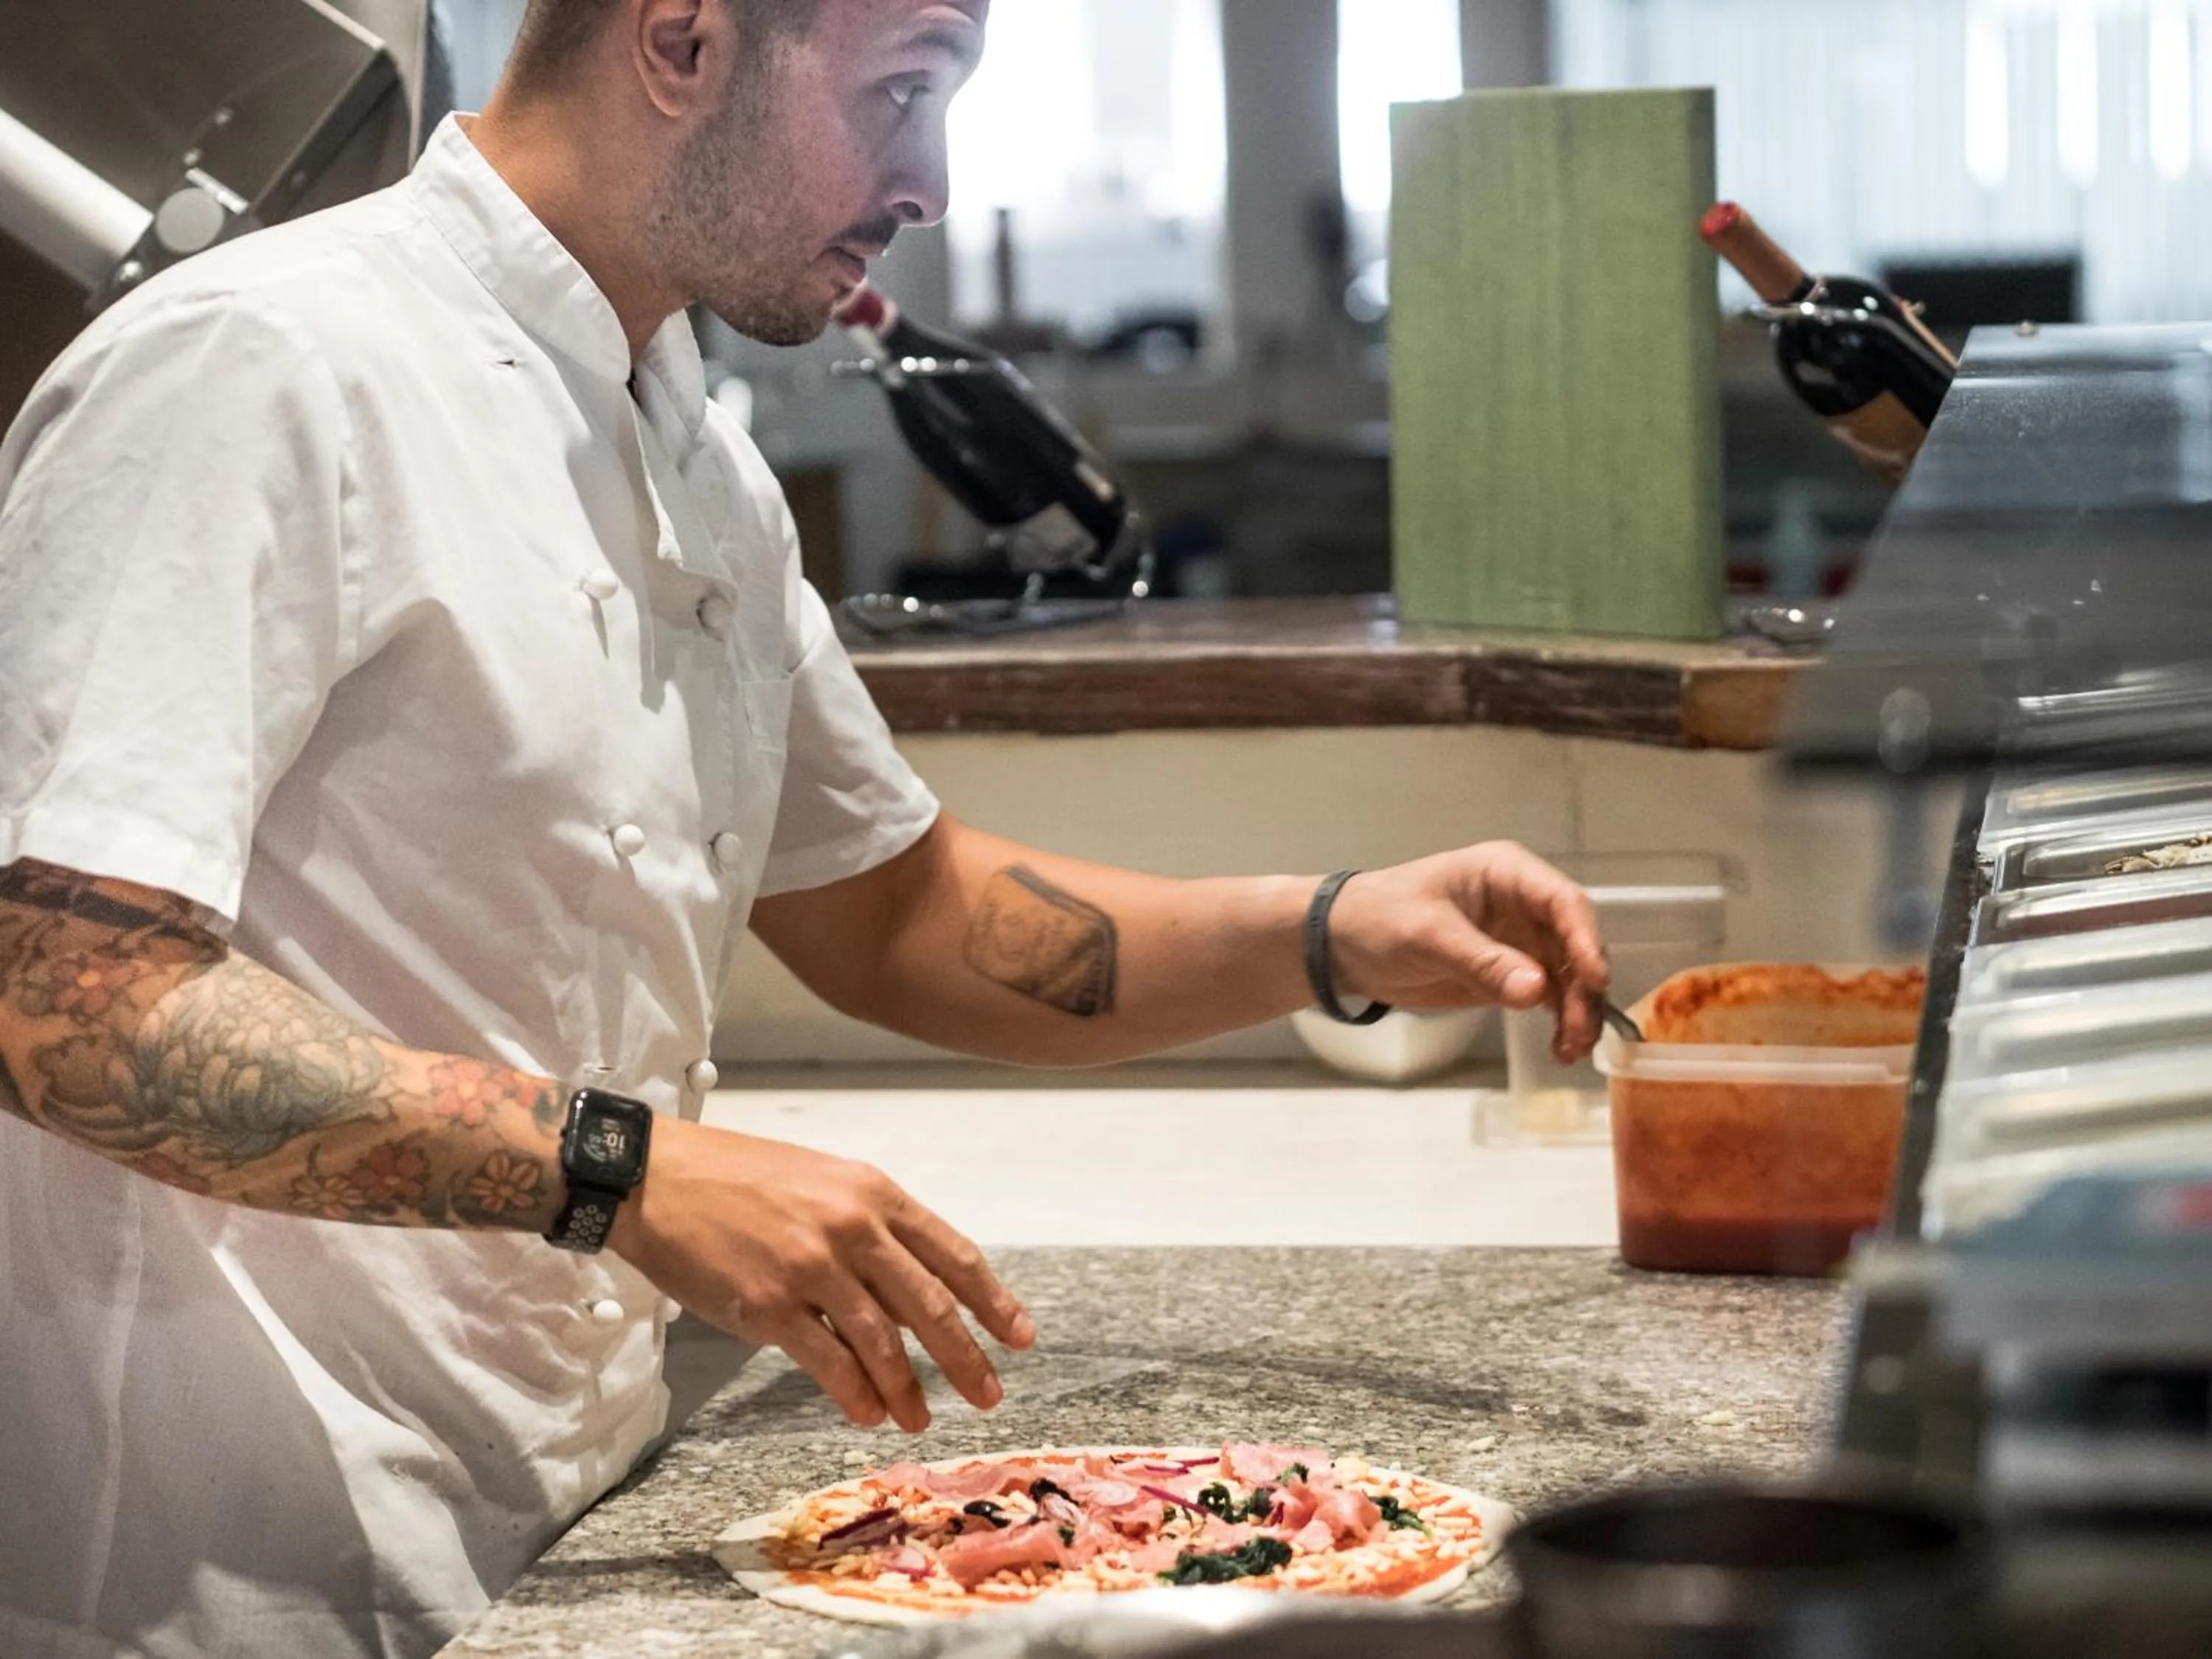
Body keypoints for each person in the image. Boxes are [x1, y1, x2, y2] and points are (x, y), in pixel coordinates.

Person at [0, 1, 1612, 1654]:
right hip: (232, 1568)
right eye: (902, 92)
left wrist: (1329, 932)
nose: (928, 179)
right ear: (685, 44)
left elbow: (897, 913)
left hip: (566, 1523)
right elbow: (71, 1010)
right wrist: (619, 1171)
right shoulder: (254, 367)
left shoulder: (692, 444)